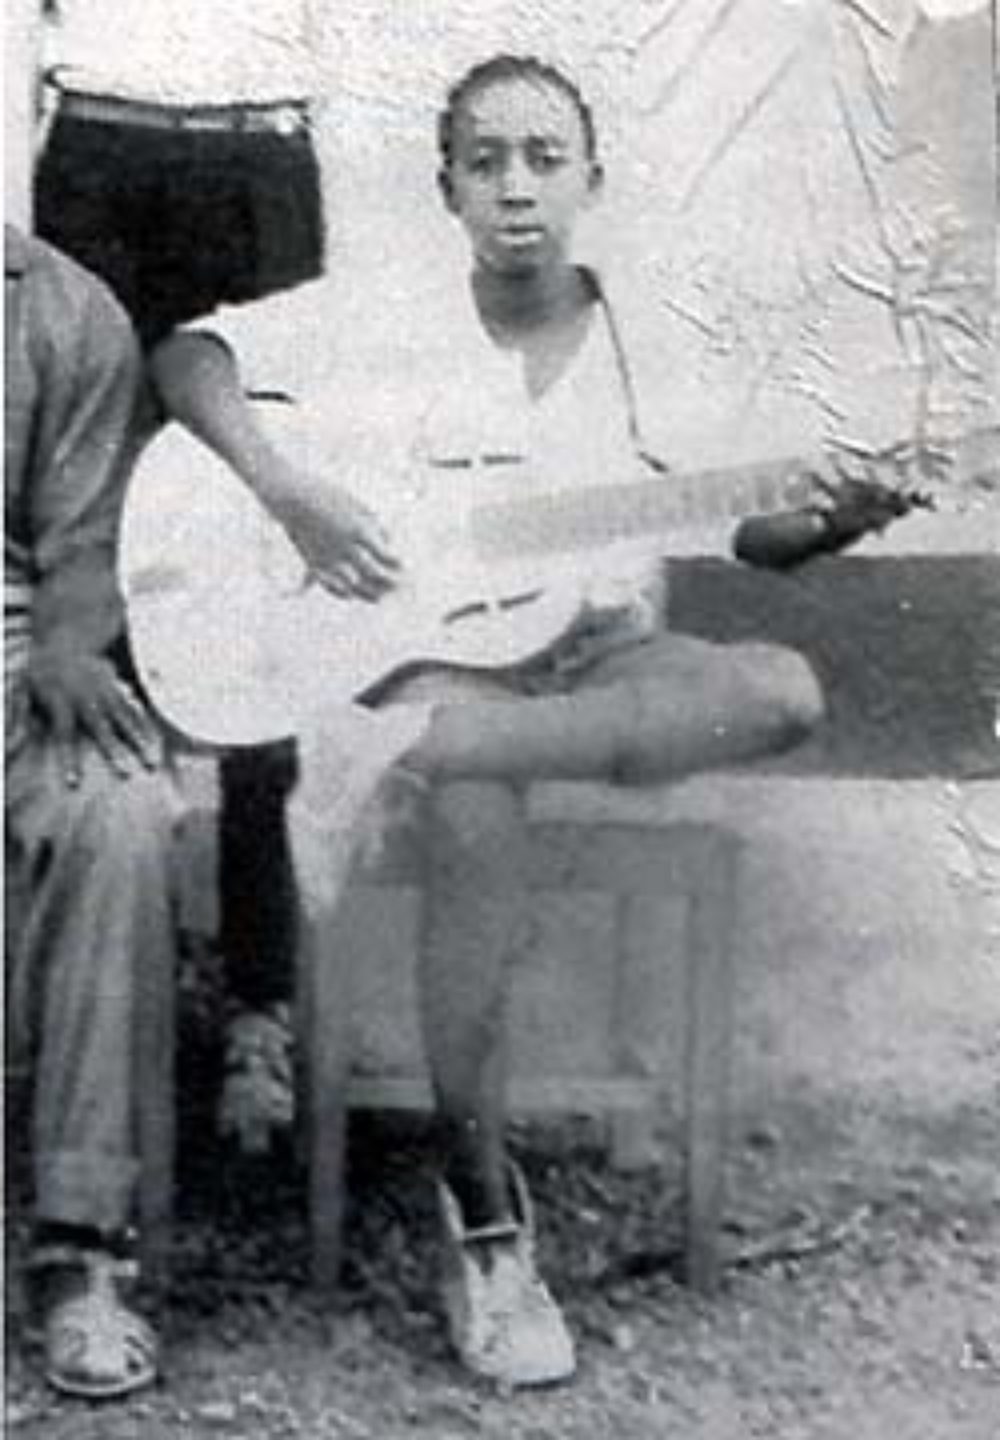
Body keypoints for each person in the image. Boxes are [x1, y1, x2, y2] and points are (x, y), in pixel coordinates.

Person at [151, 54, 826, 1386]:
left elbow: (762, 529)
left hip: (599, 661)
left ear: (591, 179)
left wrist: (842, 510)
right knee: (472, 818)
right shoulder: (383, 316)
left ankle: (389, 753)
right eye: (488, 160)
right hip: (443, 667)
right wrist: (291, 492)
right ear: (450, 184)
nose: (518, 186)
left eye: (545, 158)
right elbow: (187, 358)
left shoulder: (653, 341)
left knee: (782, 691)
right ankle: (486, 1212)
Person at [32, 0, 327, 1153]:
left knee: (265, 565)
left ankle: (261, 1002)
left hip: (261, 140)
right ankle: (98, 1037)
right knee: (89, 517)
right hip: (101, 133)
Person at [5, 224, 179, 1399]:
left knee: (115, 801)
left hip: (8, 643)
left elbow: (85, 543)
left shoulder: (57, 305)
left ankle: (82, 1253)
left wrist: (69, 646)